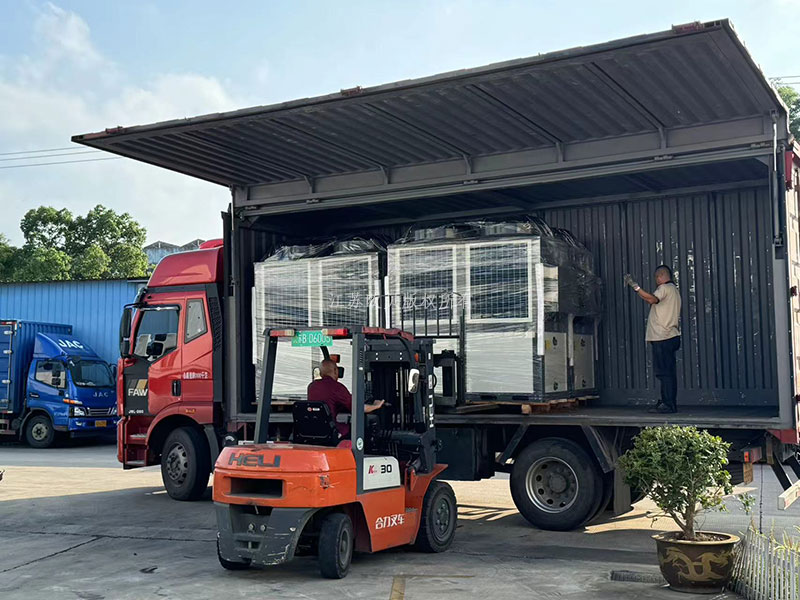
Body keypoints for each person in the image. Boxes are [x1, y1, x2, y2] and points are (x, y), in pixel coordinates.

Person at [624, 266, 682, 414]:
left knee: (664, 373)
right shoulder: (674, 290)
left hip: (663, 337)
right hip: (671, 335)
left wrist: (635, 287)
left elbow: (652, 299)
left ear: (660, 276)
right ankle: (667, 401)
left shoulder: (664, 288)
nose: (656, 281)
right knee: (668, 372)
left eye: (656, 277)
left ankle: (668, 404)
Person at [306, 358, 384, 438]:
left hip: (313, 429)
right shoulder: (337, 387)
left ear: (320, 373)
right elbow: (357, 407)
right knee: (364, 423)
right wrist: (376, 406)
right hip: (331, 432)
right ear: (335, 370)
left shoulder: (311, 386)